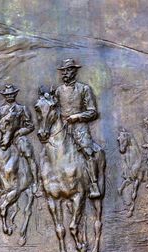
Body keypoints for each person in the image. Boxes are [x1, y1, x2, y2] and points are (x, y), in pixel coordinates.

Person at [55, 58, 102, 198]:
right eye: (64, 70)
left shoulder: (84, 89)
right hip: (62, 128)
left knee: (88, 152)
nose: (65, 73)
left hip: (80, 128)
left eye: (69, 70)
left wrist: (77, 117)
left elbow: (93, 111)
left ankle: (94, 185)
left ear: (74, 71)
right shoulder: (58, 91)